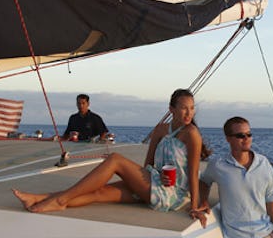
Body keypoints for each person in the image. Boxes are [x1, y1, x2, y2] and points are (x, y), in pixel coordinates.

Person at [13, 89, 203, 213]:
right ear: (171, 109)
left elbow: (193, 173)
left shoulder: (191, 134)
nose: (189, 113)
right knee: (99, 192)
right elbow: (148, 165)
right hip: (154, 181)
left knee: (115, 159)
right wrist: (156, 175)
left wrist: (194, 207)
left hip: (171, 193)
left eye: (192, 108)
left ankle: (60, 200)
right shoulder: (161, 129)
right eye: (184, 108)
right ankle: (39, 200)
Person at [194, 116, 273, 238]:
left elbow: (271, 198)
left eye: (249, 134)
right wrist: (204, 200)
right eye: (240, 135)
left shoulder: (263, 163)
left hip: (266, 233)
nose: (246, 139)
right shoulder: (218, 165)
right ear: (228, 139)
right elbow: (204, 181)